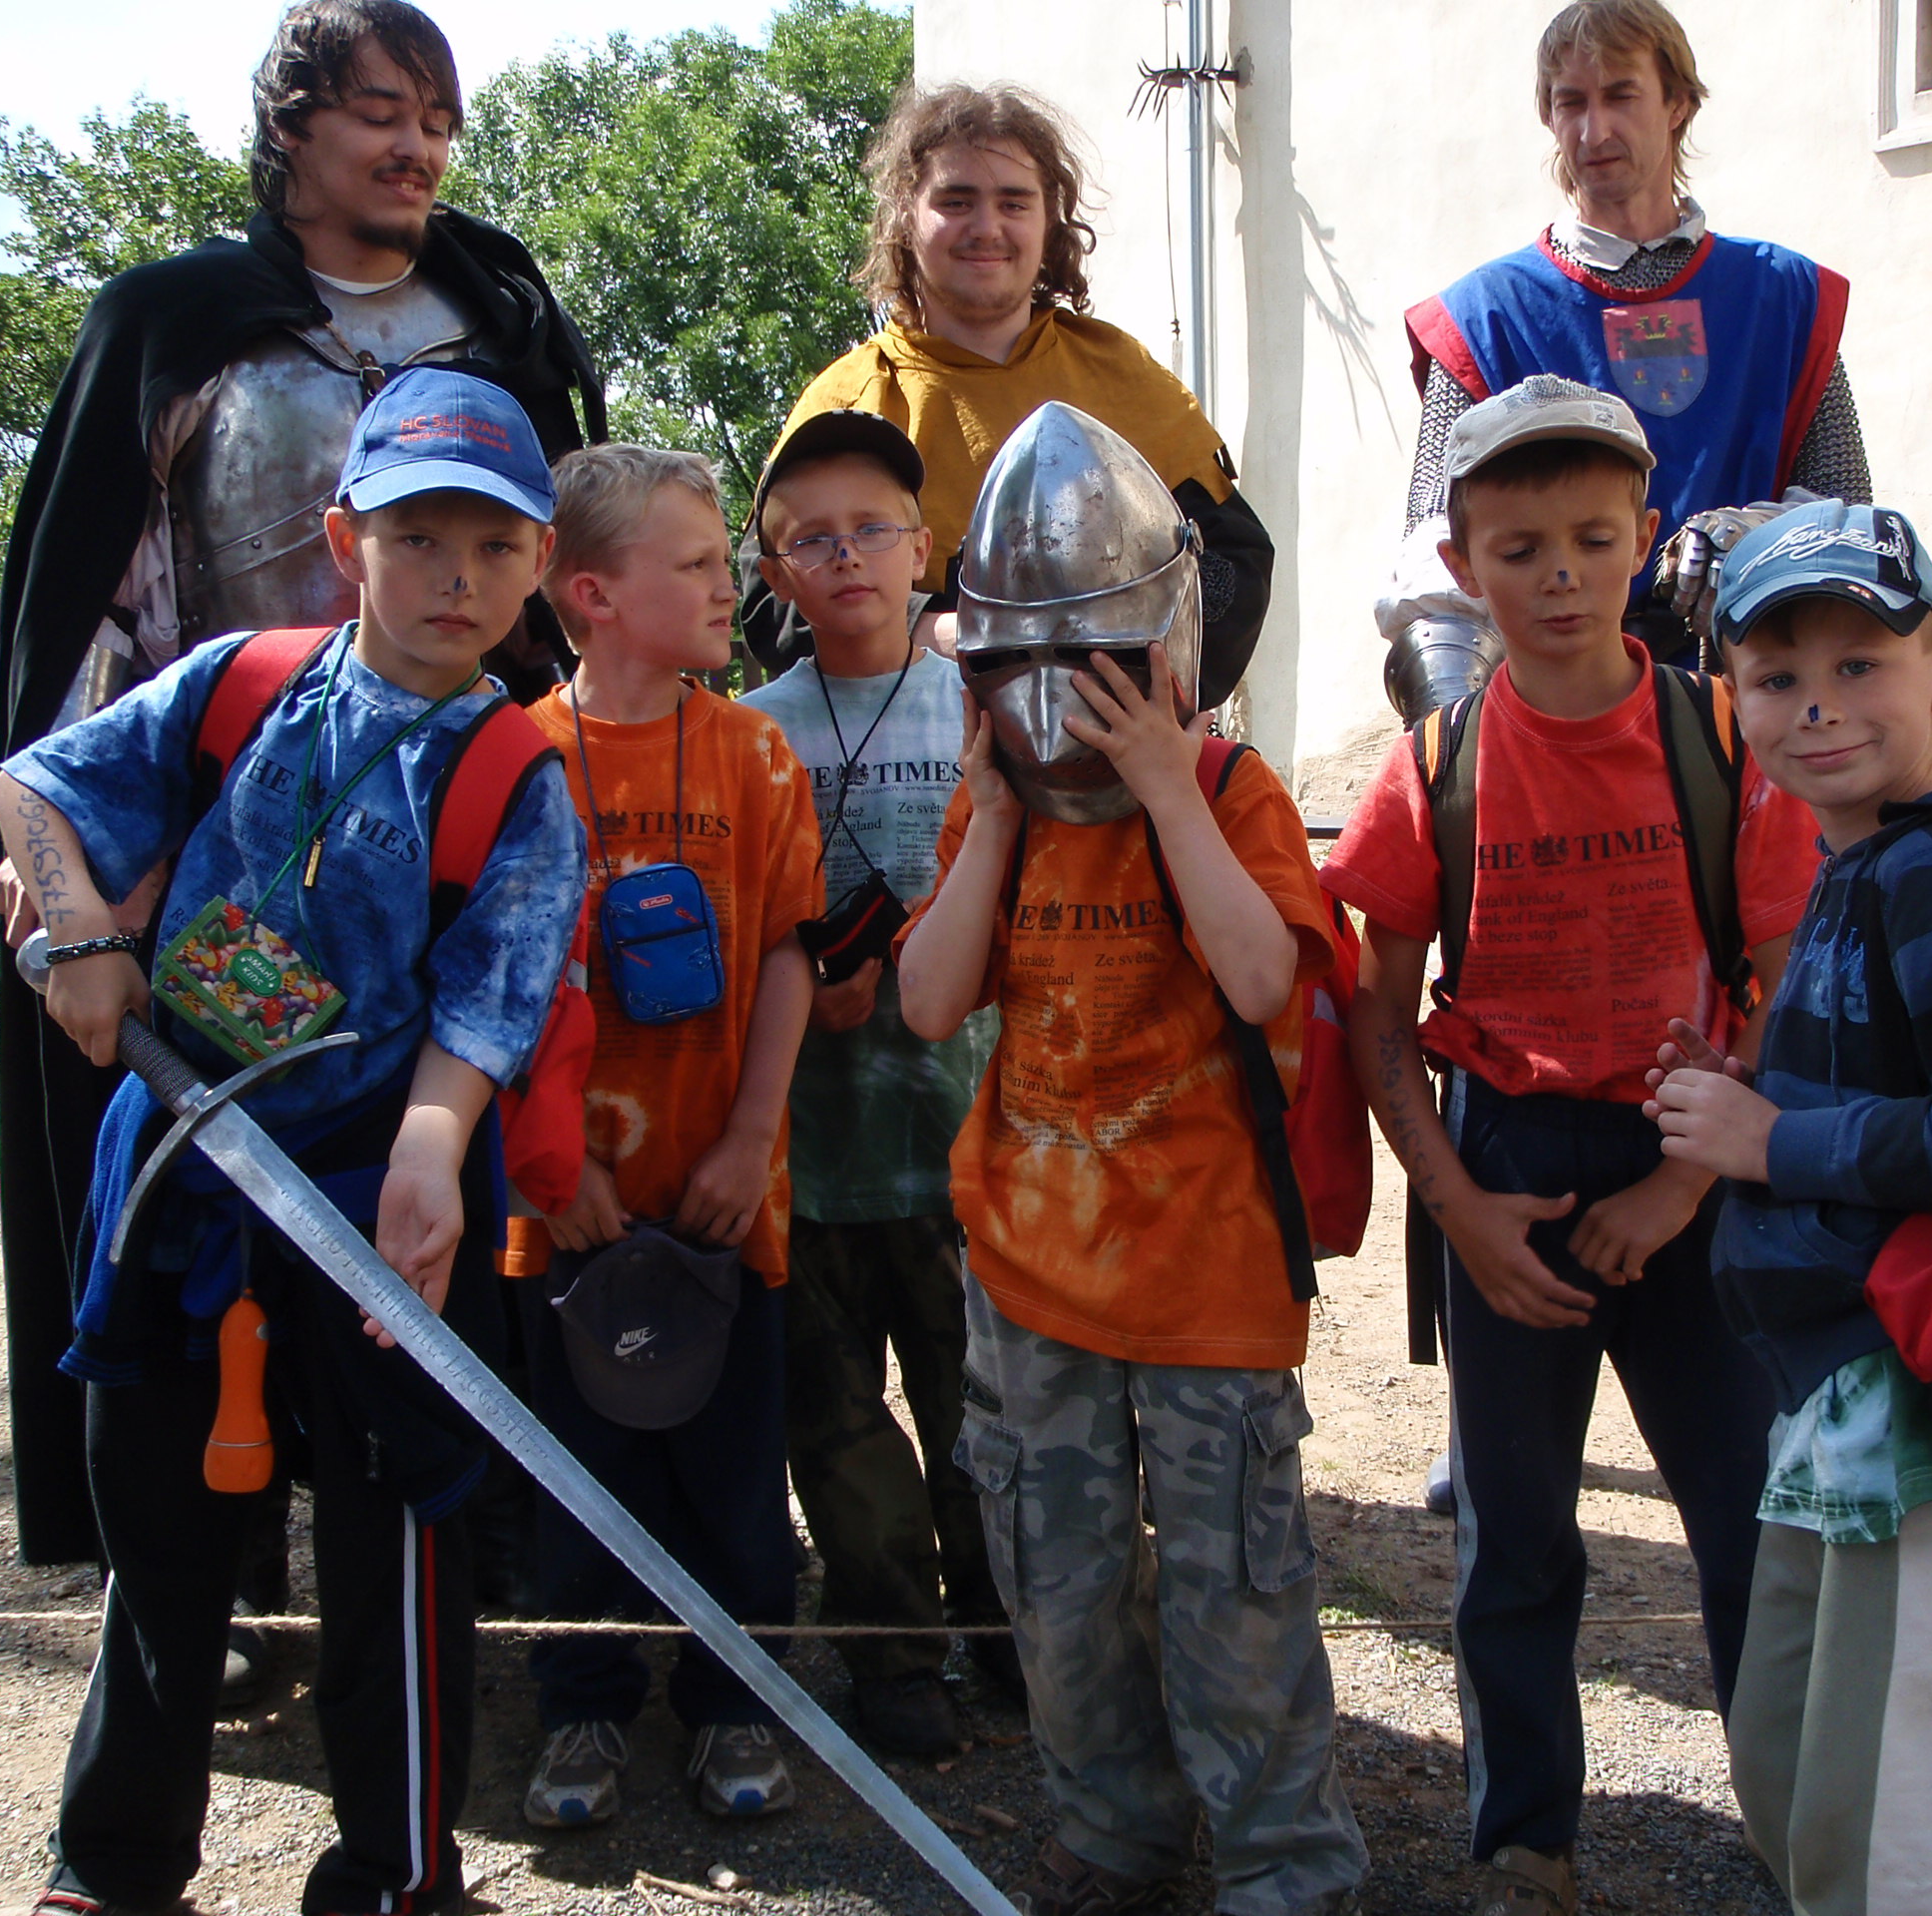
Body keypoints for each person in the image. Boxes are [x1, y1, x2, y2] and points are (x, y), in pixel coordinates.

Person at [0, 0, 604, 1575]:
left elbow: (558, 595)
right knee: (198, 1231)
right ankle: (203, 1571)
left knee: (424, 1200)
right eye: (380, 113)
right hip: (219, 819)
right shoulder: (177, 322)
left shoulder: (499, 322)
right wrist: (82, 862)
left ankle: (429, 1561)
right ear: (290, 128)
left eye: (438, 121)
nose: (418, 149)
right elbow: (104, 598)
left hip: (448, 836)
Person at [0, 365, 587, 1916]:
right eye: (417, 537)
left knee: (398, 1554)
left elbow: (491, 1002)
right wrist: (79, 927)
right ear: (343, 541)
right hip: (178, 1178)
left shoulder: (518, 777)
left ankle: (395, 1876)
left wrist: (429, 1157)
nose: (457, 578)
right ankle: (114, 1867)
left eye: (496, 547)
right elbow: (37, 784)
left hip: (374, 1200)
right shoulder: (235, 685)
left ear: (539, 565)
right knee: (161, 1546)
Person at [1327, 377, 1816, 1916]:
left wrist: (1681, 1184)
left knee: (1751, 1525)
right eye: (1519, 547)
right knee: (1515, 1539)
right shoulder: (1434, 768)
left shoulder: (1722, 739)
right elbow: (1377, 1009)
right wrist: (1460, 1208)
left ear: (1644, 538)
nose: (1558, 576)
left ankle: (1799, 1825)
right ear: (1462, 565)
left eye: (1593, 541)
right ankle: (1524, 1841)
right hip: (1509, 1168)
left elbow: (1790, 981)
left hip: (1693, 1154)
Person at [896, 402, 1365, 1916]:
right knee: (1060, 1582)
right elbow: (926, 1003)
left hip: (1206, 1282)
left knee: (1237, 1594)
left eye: (1092, 663)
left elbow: (1263, 977)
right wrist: (988, 817)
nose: (1057, 705)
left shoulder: (1230, 795)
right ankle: (1113, 1833)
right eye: (1017, 670)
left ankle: (1285, 1866)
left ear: (1164, 646)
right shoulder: (1002, 814)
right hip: (1033, 1278)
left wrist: (1166, 787)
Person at [1650, 500, 1932, 1912]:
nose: (1818, 706)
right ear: (1736, 700)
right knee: (1809, 1781)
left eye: (1859, 664)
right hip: (1844, 1401)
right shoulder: (1864, 865)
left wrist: (1776, 1141)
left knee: (1910, 1841)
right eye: (1778, 677)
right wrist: (1752, 1098)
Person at [507, 443, 821, 1831]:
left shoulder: (754, 752)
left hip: (719, 1199)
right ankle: (579, 1708)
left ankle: (734, 1698)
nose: (726, 586)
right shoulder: (513, 759)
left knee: (734, 1477)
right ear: (591, 593)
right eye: (693, 564)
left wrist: (753, 1136)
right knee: (578, 1476)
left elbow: (791, 952)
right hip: (566, 1204)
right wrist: (546, 1162)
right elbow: (486, 982)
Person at [735, 410, 1009, 1757]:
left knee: (985, 1417)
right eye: (812, 539)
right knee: (838, 1431)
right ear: (773, 573)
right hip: (812, 1156)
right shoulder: (745, 734)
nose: (845, 556)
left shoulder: (990, 710)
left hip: (972, 1145)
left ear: (925, 547)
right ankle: (892, 1654)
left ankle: (1007, 1636)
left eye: (871, 529)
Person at [746, 81, 1274, 713]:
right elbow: (771, 596)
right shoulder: (855, 399)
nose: (987, 228)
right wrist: (932, 634)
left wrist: (1141, 697)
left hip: (1116, 741)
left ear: (1049, 221)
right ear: (906, 217)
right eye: (956, 201)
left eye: (1014, 202)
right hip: (909, 745)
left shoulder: (1119, 375)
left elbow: (1231, 567)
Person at [1398, 0, 1866, 667]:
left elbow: (1845, 520)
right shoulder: (1486, 317)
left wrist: (1758, 544)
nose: (1594, 131)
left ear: (1677, 102)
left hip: (1751, 686)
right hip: (1557, 698)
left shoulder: (1782, 299)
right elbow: (1436, 566)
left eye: (1621, 95)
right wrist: (1466, 719)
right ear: (1548, 116)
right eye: (1571, 103)